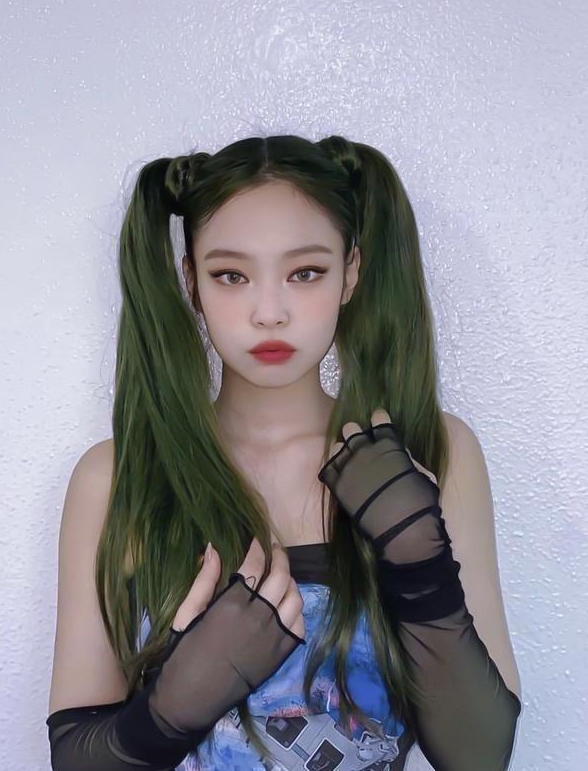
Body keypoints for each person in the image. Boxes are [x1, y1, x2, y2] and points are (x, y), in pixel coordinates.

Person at [46, 133, 522, 770]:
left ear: (351, 272)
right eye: (231, 275)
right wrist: (176, 702)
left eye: (305, 273)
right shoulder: (115, 478)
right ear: (191, 283)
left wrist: (418, 562)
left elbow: (481, 757)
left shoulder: (435, 452)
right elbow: (75, 760)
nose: (269, 312)